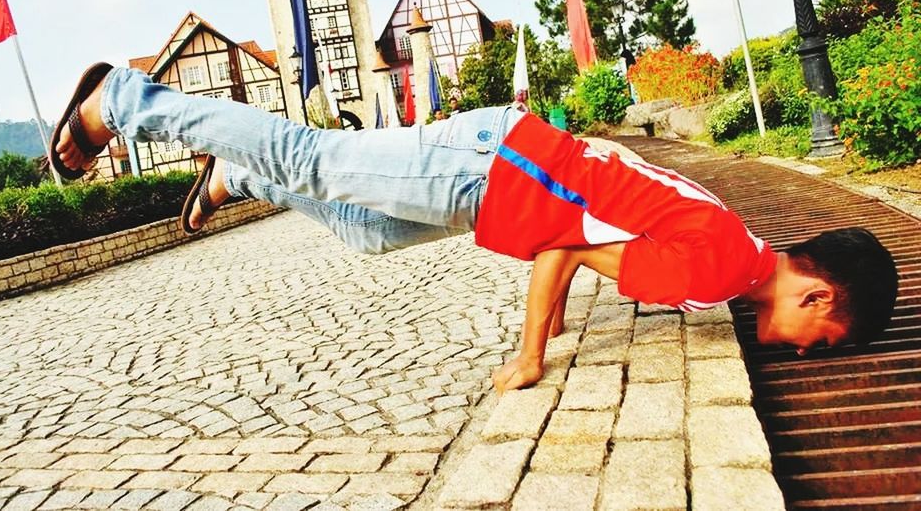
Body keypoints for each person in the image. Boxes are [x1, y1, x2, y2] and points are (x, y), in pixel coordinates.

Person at [52, 64, 900, 393]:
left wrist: (562, 299)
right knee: (311, 156)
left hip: (497, 176)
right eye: (819, 338)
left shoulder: (729, 239)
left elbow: (600, 213)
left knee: (365, 233)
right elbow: (564, 242)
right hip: (495, 175)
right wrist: (534, 351)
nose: (799, 349)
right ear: (817, 291)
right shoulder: (717, 275)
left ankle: (238, 174)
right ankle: (122, 103)